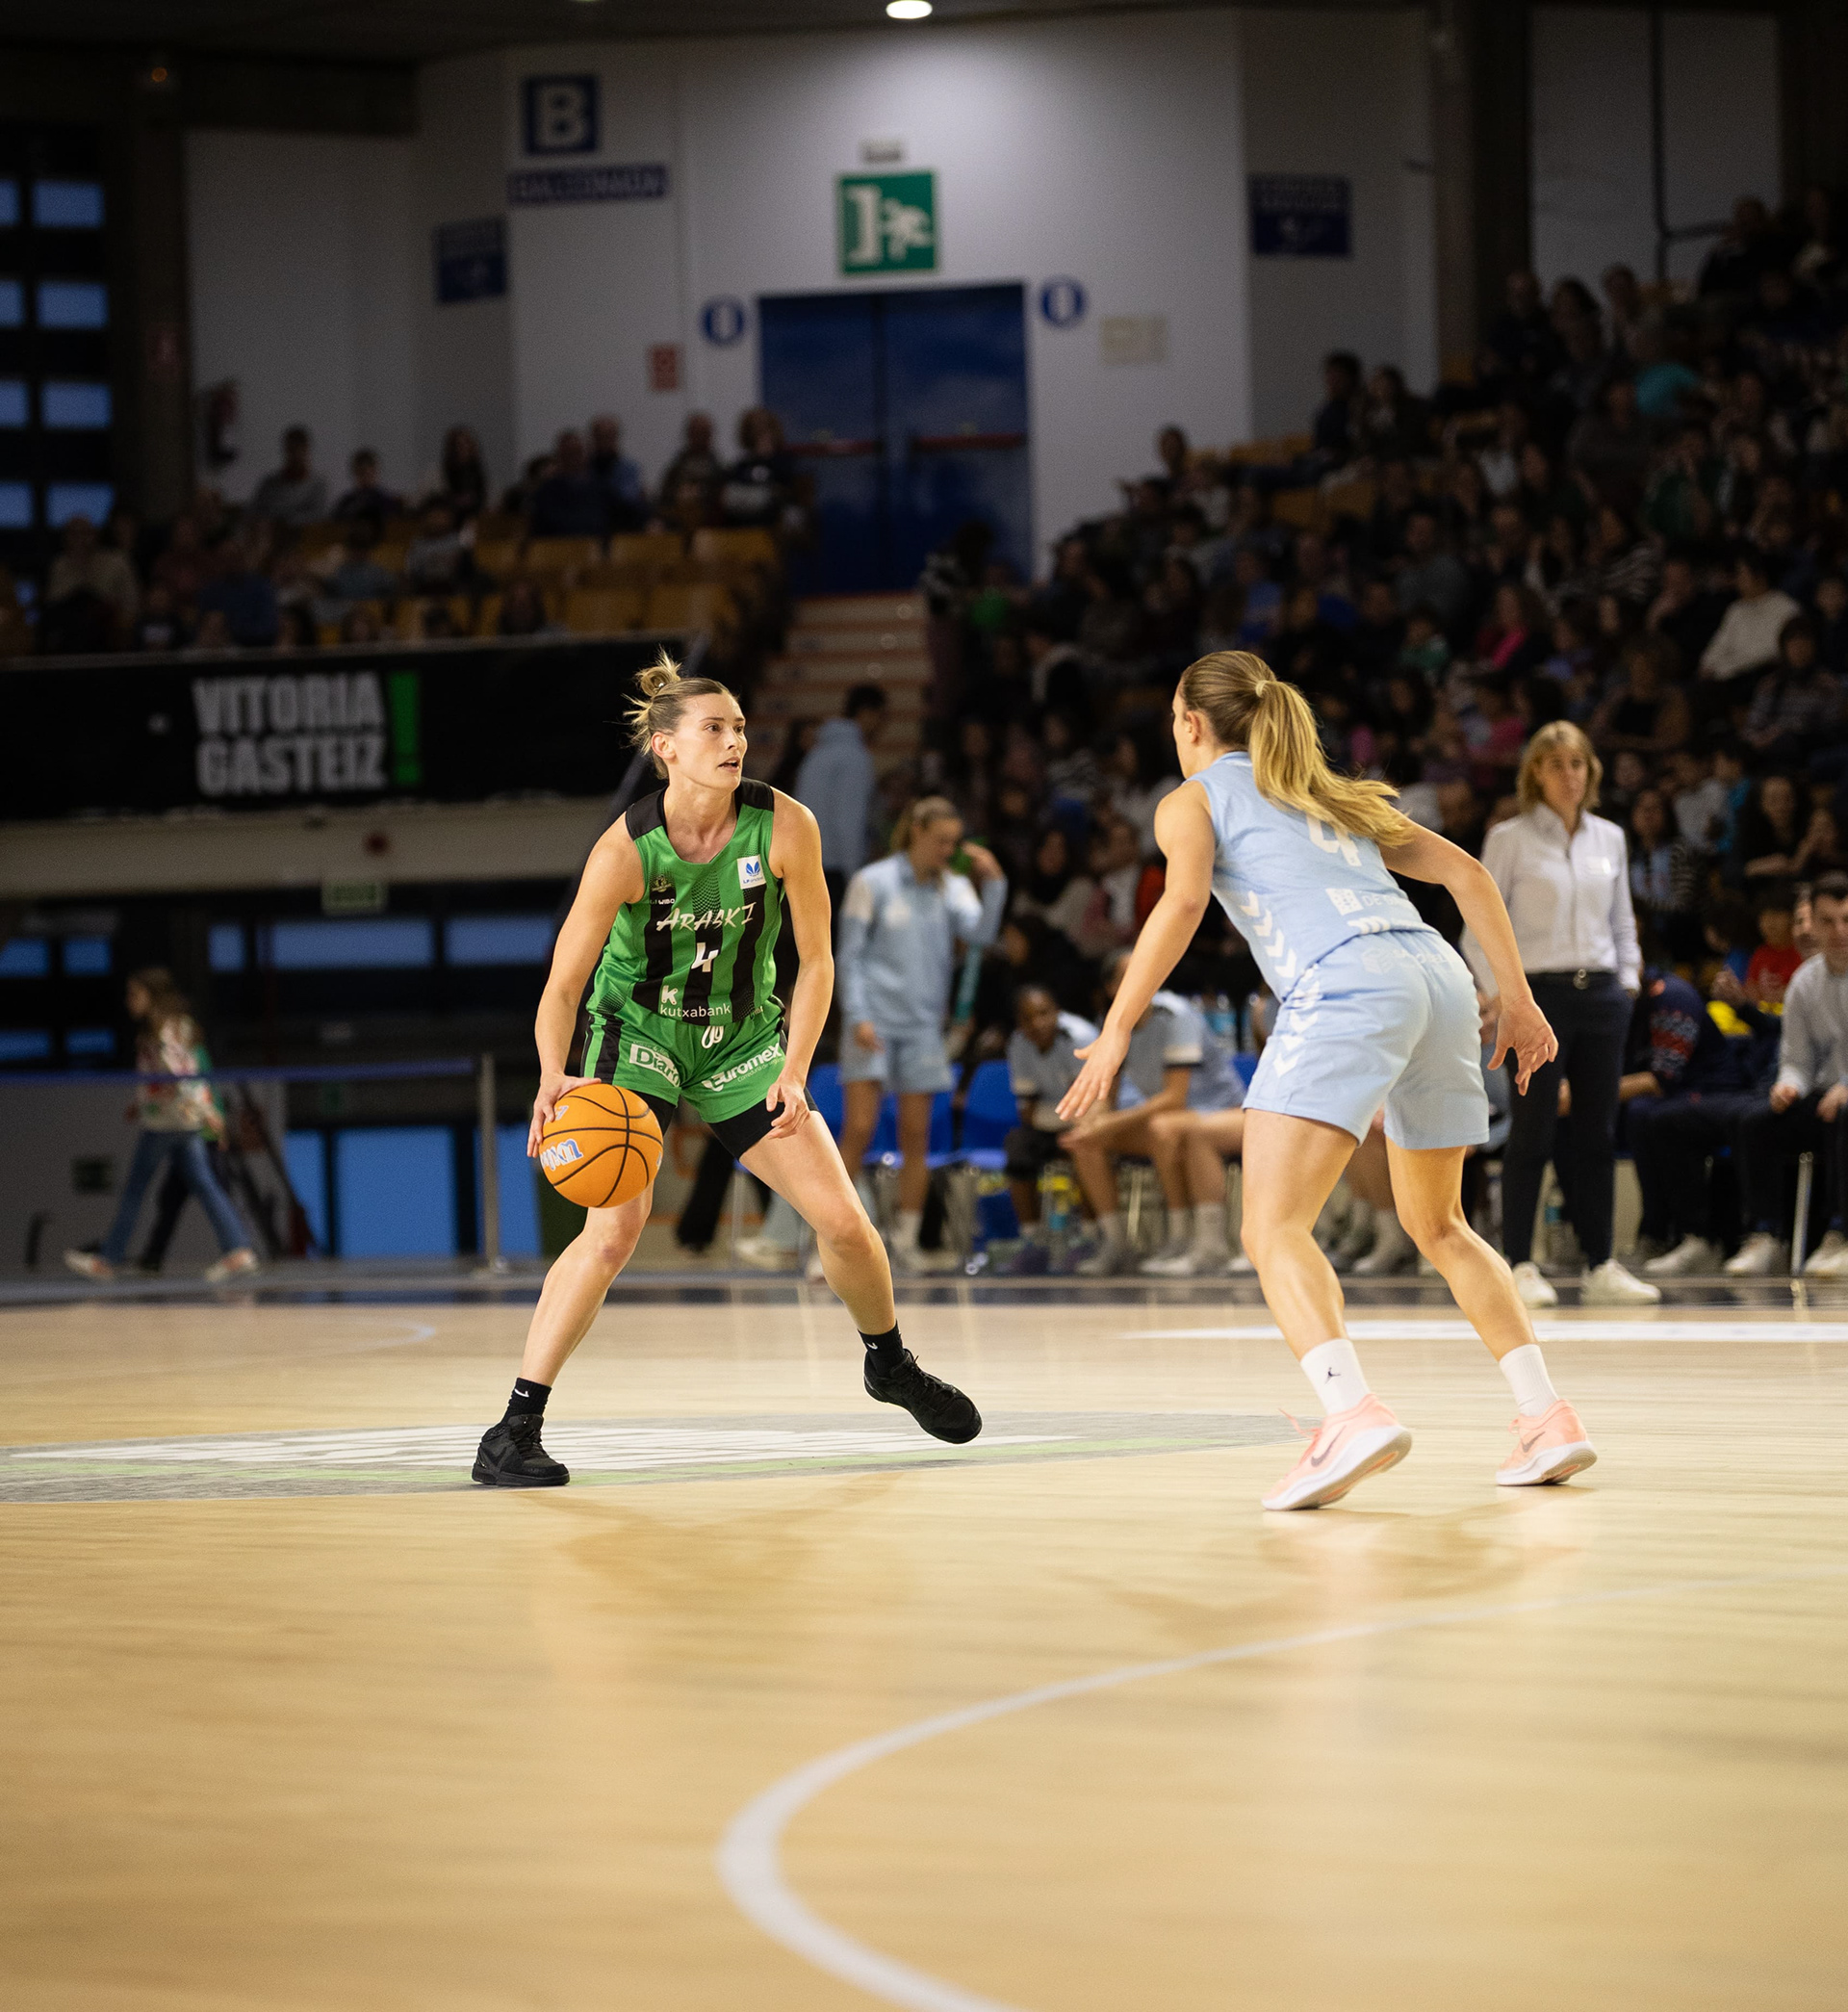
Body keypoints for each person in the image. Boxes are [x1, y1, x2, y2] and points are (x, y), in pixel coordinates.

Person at [1059, 651, 1591, 1511]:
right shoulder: (1329, 792)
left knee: (1272, 1228)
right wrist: (1519, 1002)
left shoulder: (1190, 800)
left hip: (1347, 984)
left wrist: (1118, 1027)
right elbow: (1469, 875)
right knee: (1442, 1224)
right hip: (1438, 977)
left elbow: (1184, 902)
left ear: (1191, 724)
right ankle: (1549, 1419)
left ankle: (1349, 1413)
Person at [470, 658, 980, 1485]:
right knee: (614, 1235)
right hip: (637, 1035)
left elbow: (817, 962)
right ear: (665, 747)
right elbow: (563, 984)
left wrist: (799, 1067)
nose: (735, 740)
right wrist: (548, 1078)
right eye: (715, 728)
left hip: (742, 1039)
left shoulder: (785, 825)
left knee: (846, 1224)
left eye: (740, 727)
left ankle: (888, 1363)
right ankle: (513, 1430)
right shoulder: (625, 851)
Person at [1466, 721, 1658, 1308]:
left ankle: (1601, 1262)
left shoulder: (1610, 838)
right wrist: (1501, 992)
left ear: (1590, 771)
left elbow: (1623, 921)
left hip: (1601, 995)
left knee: (1597, 1133)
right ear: (1535, 774)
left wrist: (1626, 981)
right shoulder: (1509, 837)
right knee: (1533, 1130)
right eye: (1555, 764)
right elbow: (1477, 923)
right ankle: (1520, 1263)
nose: (1568, 775)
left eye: (1577, 763)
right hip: (1537, 995)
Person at [834, 797, 1008, 1274]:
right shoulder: (872, 882)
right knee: (860, 1130)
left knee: (917, 1138)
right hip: (872, 1024)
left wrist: (994, 883)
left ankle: (905, 1245)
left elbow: (982, 936)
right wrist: (858, 1016)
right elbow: (848, 956)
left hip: (923, 1027)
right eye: (940, 842)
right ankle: (830, 1245)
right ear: (915, 831)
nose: (947, 851)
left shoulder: (952, 888)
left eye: (954, 844)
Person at [64, 970, 259, 1285]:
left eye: (134, 995)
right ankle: (238, 1250)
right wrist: (142, 1104)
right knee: (205, 1184)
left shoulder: (162, 1032)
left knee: (135, 1189)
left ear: (151, 996)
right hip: (180, 1120)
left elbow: (183, 1076)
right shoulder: (175, 1027)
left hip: (167, 1123)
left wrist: (206, 1111)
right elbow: (169, 1079)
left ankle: (108, 1259)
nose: (129, 1002)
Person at [1060, 950, 1244, 1277]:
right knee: (1084, 1141)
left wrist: (1110, 1123)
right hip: (1167, 1117)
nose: (1146, 978)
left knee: (1163, 1128)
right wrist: (1093, 1121)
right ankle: (1115, 1243)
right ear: (1111, 987)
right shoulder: (1116, 1023)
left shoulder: (1176, 1015)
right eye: (1132, 974)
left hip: (1219, 1112)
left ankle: (1188, 1239)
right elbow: (1108, 1093)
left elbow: (1175, 1098)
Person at [1724, 872, 1848, 1279]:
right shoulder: (1804, 982)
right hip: (1823, 1096)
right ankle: (1766, 1235)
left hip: (1845, 1102)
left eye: (1846, 920)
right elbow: (1796, 1057)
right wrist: (1788, 1084)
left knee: (1844, 1118)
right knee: (1756, 1123)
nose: (1838, 931)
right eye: (1827, 921)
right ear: (1811, 921)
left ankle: (1840, 1235)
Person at [1000, 985, 1098, 1274]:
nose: (1037, 1023)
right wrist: (1050, 1117)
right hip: (1048, 1120)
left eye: (1044, 1014)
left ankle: (1090, 1238)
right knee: (1017, 1146)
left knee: (1082, 1146)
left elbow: (1088, 1101)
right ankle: (1032, 1241)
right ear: (1020, 1023)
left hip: (1088, 1119)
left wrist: (1055, 1117)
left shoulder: (1080, 1037)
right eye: (1028, 1017)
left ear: (1057, 1012)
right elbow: (1027, 1109)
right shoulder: (1018, 1044)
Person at [794, 684, 886, 910]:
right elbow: (848, 820)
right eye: (881, 716)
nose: (883, 725)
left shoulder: (818, 753)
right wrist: (855, 878)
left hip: (807, 865)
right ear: (867, 713)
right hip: (835, 870)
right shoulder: (853, 757)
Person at [249, 426, 327, 527]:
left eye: (299, 450)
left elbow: (317, 516)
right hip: (271, 533)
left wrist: (287, 520)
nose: (295, 456)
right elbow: (254, 511)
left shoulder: (317, 485)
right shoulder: (270, 483)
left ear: (306, 451)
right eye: (291, 450)